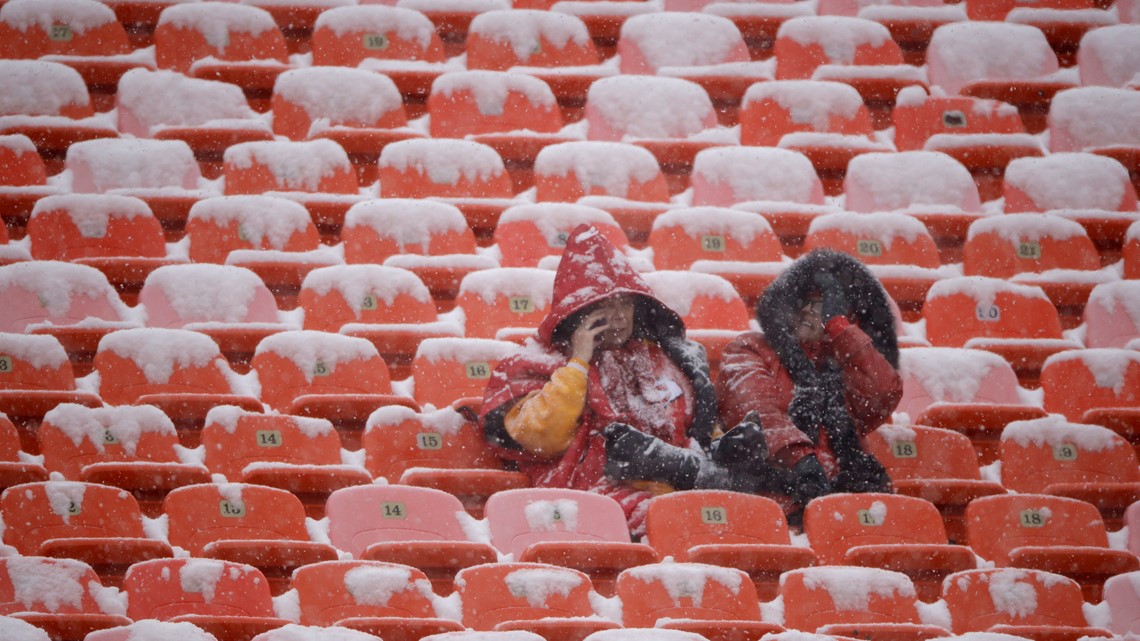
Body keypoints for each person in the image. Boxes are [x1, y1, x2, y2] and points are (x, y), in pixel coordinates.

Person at [480, 224, 766, 535]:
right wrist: (579, 361)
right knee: (679, 526)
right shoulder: (539, 362)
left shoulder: (661, 358)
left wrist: (721, 446)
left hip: (678, 488)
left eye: (625, 304)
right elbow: (541, 437)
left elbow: (695, 425)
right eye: (604, 306)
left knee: (745, 521)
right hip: (594, 496)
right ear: (579, 313)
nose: (618, 316)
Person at [715, 248, 901, 523]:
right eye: (801, 300)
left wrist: (839, 328)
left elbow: (884, 393)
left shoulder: (842, 363)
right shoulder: (749, 348)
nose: (806, 311)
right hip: (776, 504)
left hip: (847, 508)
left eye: (820, 306)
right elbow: (757, 413)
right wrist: (801, 460)